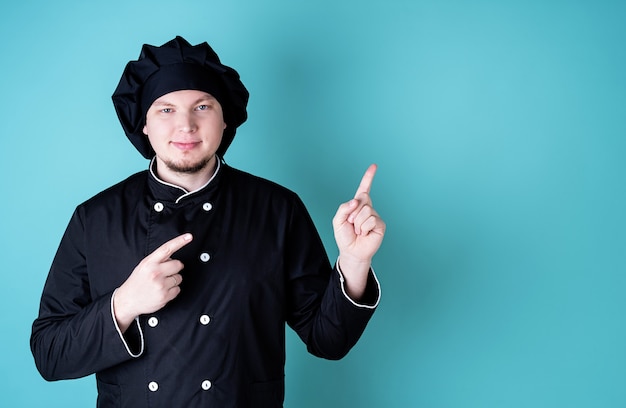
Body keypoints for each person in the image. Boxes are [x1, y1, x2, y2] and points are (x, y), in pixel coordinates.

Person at [31, 36, 385, 408]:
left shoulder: (277, 209)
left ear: (224, 117)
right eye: (165, 110)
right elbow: (49, 354)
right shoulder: (95, 218)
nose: (185, 126)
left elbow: (328, 340)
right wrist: (124, 304)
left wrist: (354, 261)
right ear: (144, 125)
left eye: (202, 106)